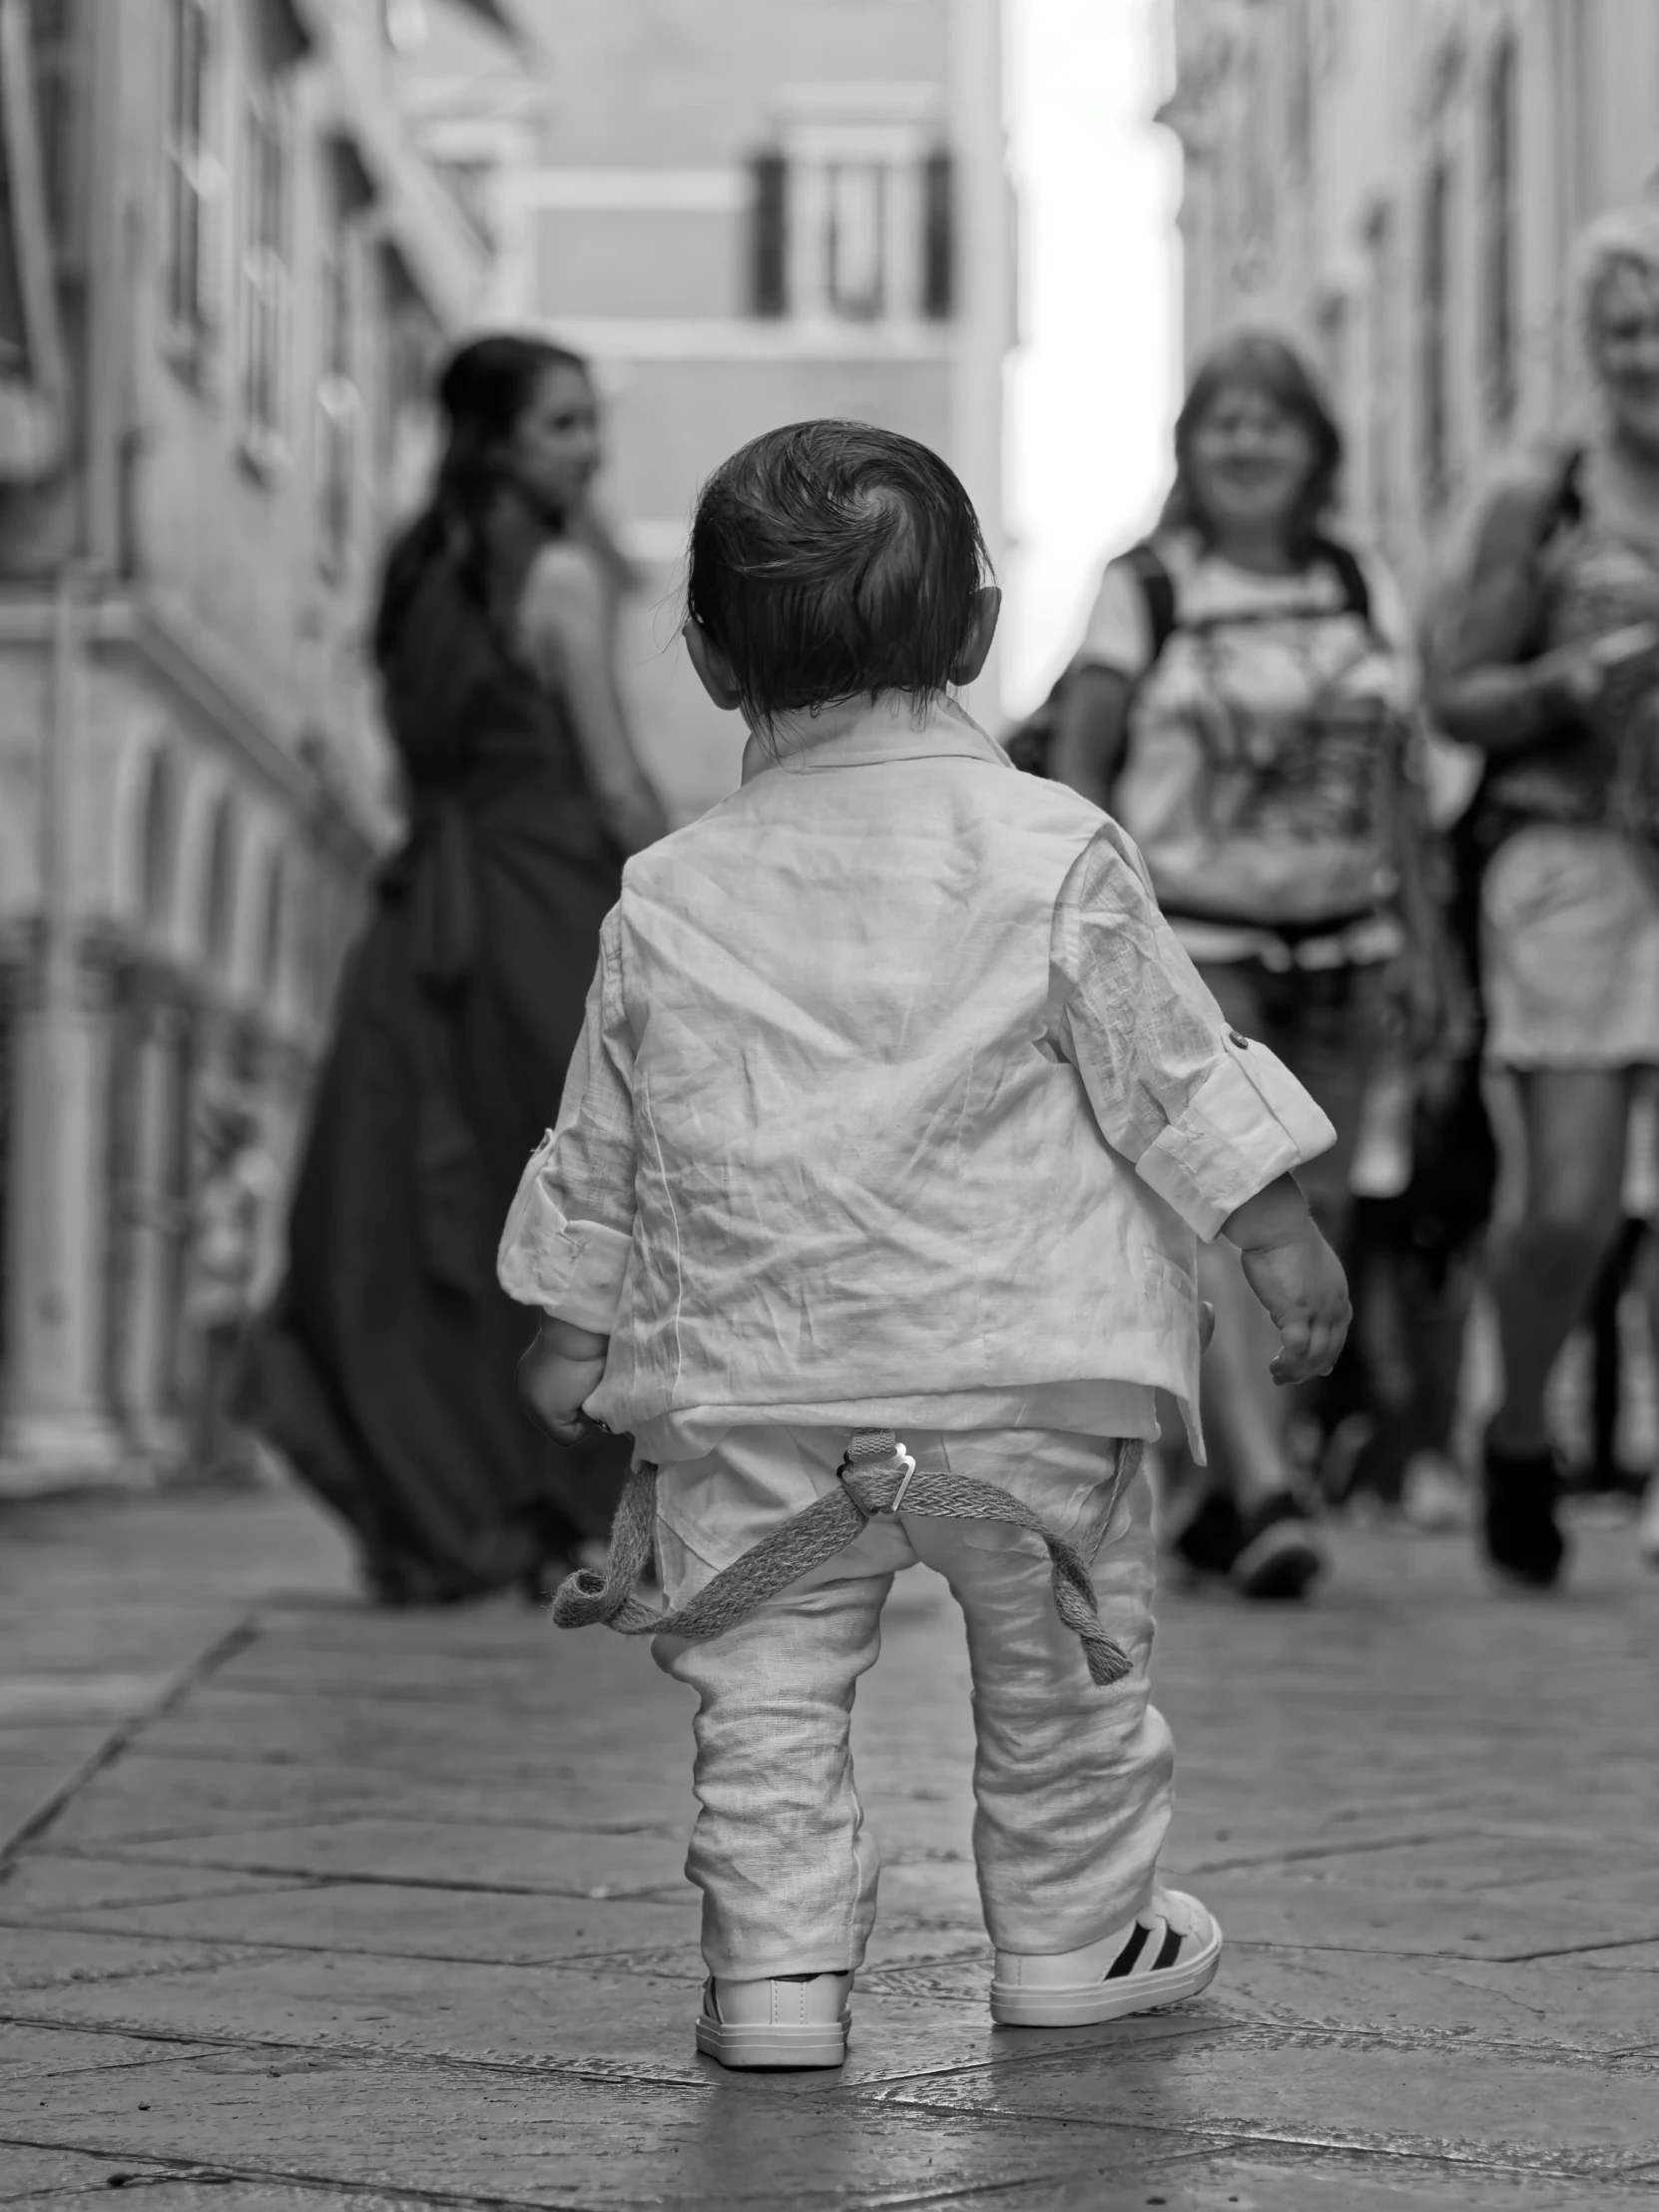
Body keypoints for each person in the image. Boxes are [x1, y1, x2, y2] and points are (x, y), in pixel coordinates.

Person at [498, 420, 1350, 2070]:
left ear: (701, 658)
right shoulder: (1054, 849)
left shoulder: (665, 892)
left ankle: (775, 1979)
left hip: (760, 1394)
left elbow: (606, 1135)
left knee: (764, 1700)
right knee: (1063, 1686)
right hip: (1029, 1378)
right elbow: (1164, 1067)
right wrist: (1272, 1227)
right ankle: (1072, 1939)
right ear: (974, 630)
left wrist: (572, 1321)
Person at [243, 334, 669, 1605]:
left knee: (432, 1210)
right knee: (581, 1205)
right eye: (562, 427)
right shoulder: (557, 579)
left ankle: (462, 1504)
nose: (588, 450)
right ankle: (560, 1504)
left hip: (426, 911)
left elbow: (408, 764)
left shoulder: (412, 576)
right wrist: (705, 896)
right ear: (494, 439)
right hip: (540, 906)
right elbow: (611, 777)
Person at [1040, 331, 1437, 1600]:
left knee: (1312, 1221)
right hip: (1192, 949)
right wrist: (1094, 940)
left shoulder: (1359, 577)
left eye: (1274, 419)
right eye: (1224, 419)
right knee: (1223, 1205)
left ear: (1317, 444)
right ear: (1188, 447)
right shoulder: (1144, 584)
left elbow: (1400, 779)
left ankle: (1221, 1484)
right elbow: (1082, 765)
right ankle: (1268, 1489)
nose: (1249, 440)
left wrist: (1426, 940)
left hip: (1343, 943)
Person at [1427, 207, 1659, 1588]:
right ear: (1593, 343)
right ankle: (1516, 1426)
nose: (1652, 354)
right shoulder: (1544, 497)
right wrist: (1569, 686)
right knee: (1567, 1203)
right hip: (1566, 857)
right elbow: (1454, 695)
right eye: (1628, 326)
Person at [186, 1088, 277, 1483]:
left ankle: (238, 1460)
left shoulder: (252, 1174)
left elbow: (258, 1235)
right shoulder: (221, 1173)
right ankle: (215, 1458)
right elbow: (203, 1225)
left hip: (236, 1287)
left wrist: (252, 1289)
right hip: (212, 1285)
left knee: (233, 1376)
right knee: (212, 1376)